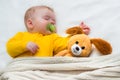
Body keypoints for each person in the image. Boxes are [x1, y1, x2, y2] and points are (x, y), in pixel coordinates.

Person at [6, 5, 90, 58]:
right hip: (21, 68)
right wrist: (24, 45)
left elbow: (67, 43)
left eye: (54, 21)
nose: (52, 22)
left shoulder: (52, 38)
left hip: (41, 69)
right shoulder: (21, 35)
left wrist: (78, 32)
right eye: (46, 18)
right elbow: (10, 48)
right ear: (30, 23)